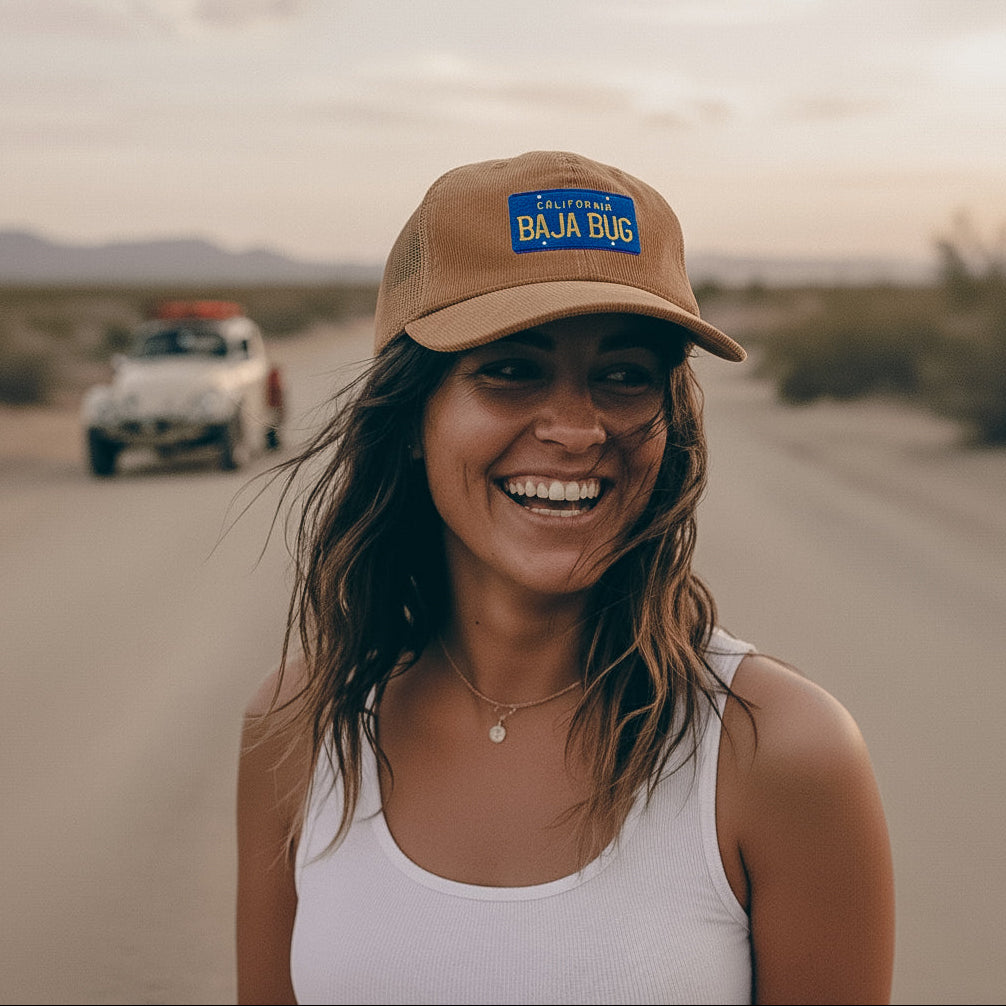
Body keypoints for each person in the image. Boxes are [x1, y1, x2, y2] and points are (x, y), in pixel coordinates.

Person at [236, 151, 895, 1005]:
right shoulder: (300, 728)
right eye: (512, 369)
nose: (578, 430)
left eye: (624, 377)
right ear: (410, 415)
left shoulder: (781, 753)